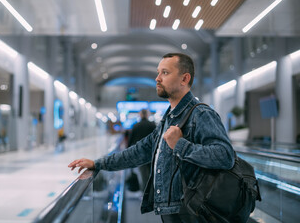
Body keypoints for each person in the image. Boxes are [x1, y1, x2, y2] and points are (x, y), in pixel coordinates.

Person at [68, 53, 235, 223]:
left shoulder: (201, 114)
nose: (157, 78)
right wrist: (98, 164)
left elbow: (226, 156)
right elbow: (139, 151)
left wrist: (180, 145)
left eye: (165, 73)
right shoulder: (170, 118)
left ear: (184, 79)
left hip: (193, 211)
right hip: (173, 209)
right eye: (158, 72)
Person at [127, 109, 156, 191]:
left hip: (140, 153)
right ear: (147, 115)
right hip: (151, 153)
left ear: (140, 115)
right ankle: (151, 191)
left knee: (143, 173)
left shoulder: (136, 126)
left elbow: (130, 141)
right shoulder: (152, 125)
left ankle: (144, 192)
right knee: (151, 173)